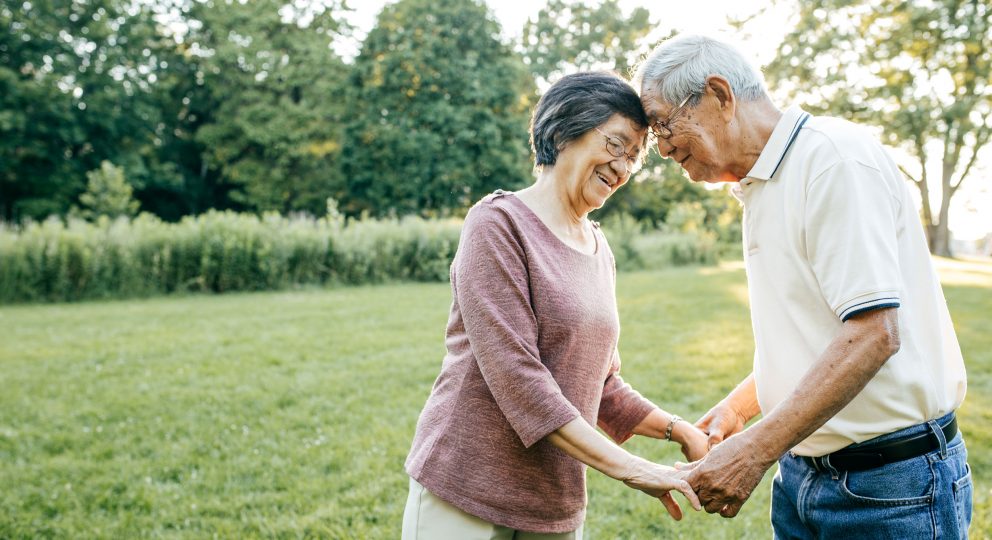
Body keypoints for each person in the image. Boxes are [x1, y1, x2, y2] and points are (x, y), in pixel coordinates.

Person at [635, 34, 972, 538]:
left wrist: (753, 452)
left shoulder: (832, 161)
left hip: (890, 488)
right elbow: (818, 335)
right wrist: (737, 409)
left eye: (663, 123)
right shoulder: (758, 186)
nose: (660, 147)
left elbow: (874, 334)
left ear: (719, 96)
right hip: (803, 476)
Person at [401, 71, 707, 540]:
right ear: (565, 129)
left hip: (554, 501)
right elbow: (518, 377)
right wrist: (633, 469)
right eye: (617, 144)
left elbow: (596, 383)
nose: (624, 167)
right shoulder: (497, 224)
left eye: (635, 156)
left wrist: (679, 430)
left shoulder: (599, 249)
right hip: (467, 493)